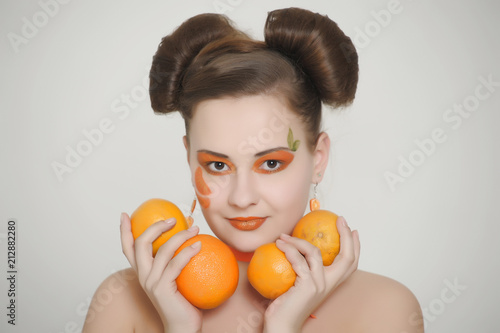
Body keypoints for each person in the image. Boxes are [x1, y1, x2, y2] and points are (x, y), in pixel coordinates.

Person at [83, 7, 423, 333]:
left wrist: (284, 327)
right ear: (190, 159)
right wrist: (179, 327)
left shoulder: (385, 309)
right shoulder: (121, 303)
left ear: (318, 158)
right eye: (217, 165)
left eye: (271, 164)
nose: (242, 198)